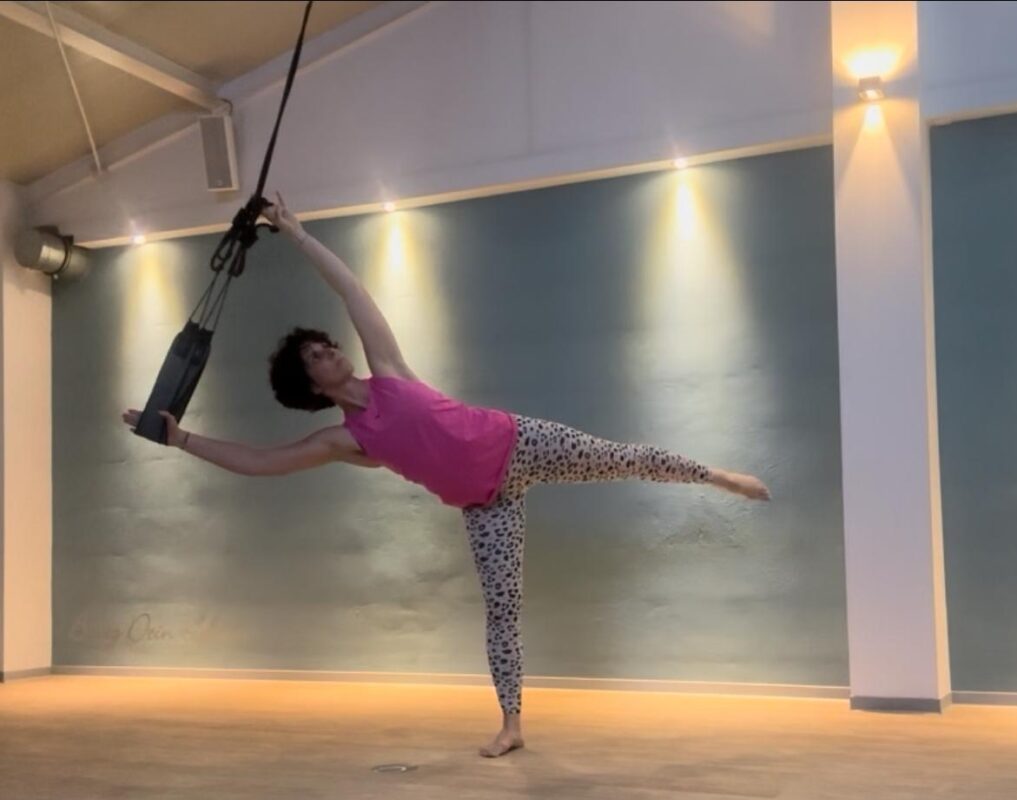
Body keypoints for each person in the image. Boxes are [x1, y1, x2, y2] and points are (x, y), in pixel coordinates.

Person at [122, 193, 771, 758]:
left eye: (328, 344)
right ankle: (512, 724)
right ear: (311, 384)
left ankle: (717, 477)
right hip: (485, 503)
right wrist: (183, 440)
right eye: (317, 355)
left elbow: (353, 292)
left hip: (519, 442)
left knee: (623, 457)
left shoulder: (388, 369)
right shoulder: (345, 439)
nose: (332, 351)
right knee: (503, 609)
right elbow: (262, 463)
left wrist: (296, 233)